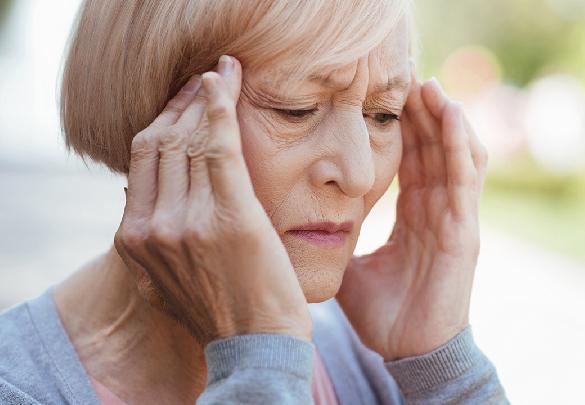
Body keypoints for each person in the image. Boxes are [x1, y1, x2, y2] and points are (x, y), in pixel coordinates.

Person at [0, 1, 508, 403]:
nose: (358, 173)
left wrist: (444, 372)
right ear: (161, 119)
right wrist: (258, 365)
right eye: (297, 109)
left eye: (383, 115)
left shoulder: (370, 359)